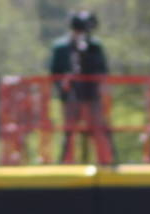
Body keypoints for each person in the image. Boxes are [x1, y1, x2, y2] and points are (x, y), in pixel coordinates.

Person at [49, 10, 113, 164]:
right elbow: (54, 72)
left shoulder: (95, 46)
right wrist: (64, 83)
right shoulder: (61, 47)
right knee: (69, 131)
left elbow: (103, 70)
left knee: (98, 128)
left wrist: (100, 85)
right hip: (71, 95)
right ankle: (66, 162)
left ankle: (105, 162)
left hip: (92, 95)